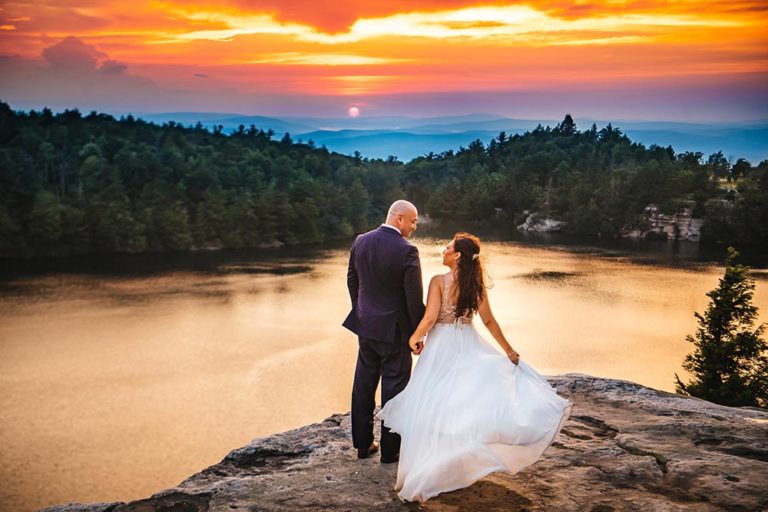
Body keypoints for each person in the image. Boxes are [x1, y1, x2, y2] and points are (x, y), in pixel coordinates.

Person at [376, 232, 573, 502]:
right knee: (463, 402)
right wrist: (508, 350)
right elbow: (489, 321)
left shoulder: (438, 281)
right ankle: (451, 464)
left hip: (440, 348)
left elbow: (431, 317)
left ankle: (428, 467)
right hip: (468, 343)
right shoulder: (475, 283)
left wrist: (413, 338)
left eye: (448, 246)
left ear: (457, 255)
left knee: (433, 404)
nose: (444, 249)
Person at [343, 200, 426, 463]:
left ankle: (362, 445)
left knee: (363, 386)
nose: (414, 227)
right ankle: (390, 453)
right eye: (413, 221)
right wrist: (417, 334)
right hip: (395, 332)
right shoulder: (407, 251)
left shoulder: (361, 241)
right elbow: (413, 299)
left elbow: (352, 279)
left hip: (366, 327)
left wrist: (362, 310)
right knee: (395, 390)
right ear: (399, 218)